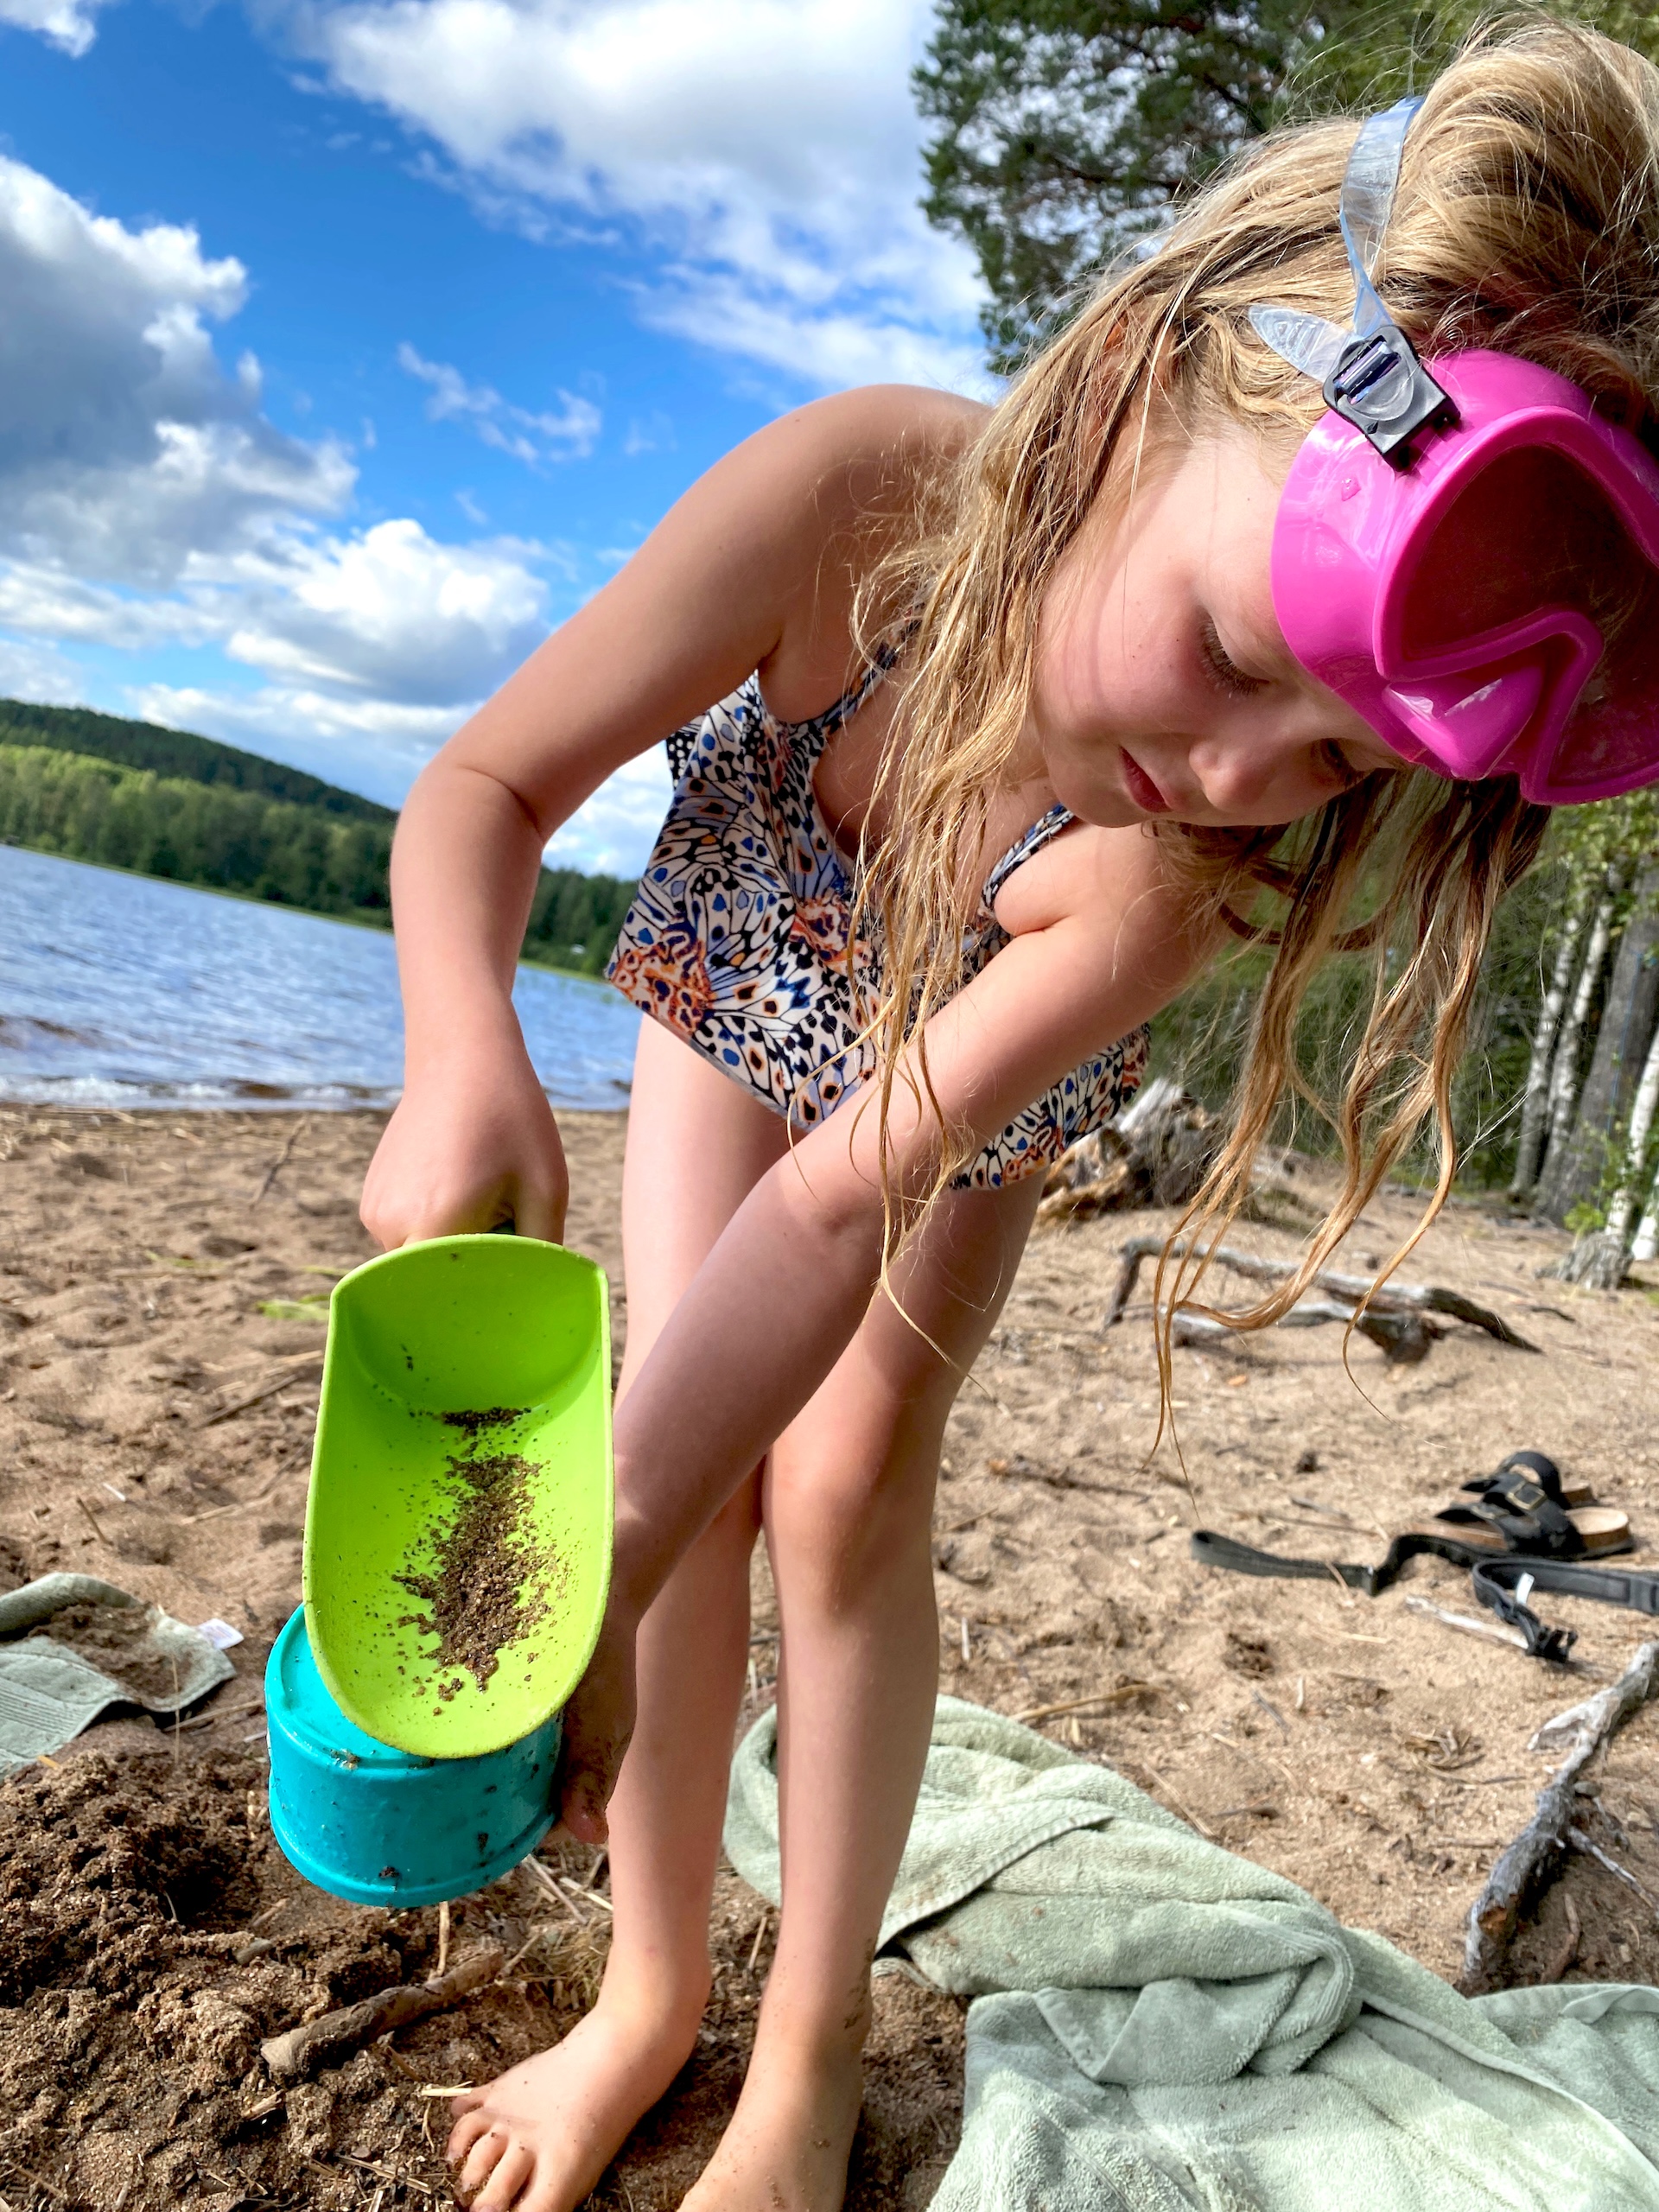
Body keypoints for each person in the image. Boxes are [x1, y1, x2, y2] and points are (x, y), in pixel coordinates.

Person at [360, 24, 1659, 2210]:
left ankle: (807, 2051)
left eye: (1336, 760)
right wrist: (457, 1042)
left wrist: (615, 1527)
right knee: (666, 1452)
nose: (1240, 777)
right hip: (745, 953)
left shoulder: (1171, 865)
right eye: (1232, 654)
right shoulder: (854, 499)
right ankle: (648, 1988)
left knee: (843, 1486)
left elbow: (832, 1212)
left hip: (946, 1093)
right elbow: (481, 787)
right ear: (1145, 380)